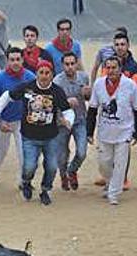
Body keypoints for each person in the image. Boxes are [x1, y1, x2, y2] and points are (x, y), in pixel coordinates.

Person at [0, 59, 73, 206]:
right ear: (36, 74)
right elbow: (7, 96)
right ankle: (27, 182)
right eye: (41, 73)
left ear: (52, 75)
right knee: (29, 166)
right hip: (29, 136)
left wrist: (68, 121)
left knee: (52, 167)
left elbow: (67, 110)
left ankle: (45, 190)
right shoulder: (27, 87)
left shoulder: (57, 91)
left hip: (51, 137)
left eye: (47, 73)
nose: (44, 76)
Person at [86, 56, 137, 205]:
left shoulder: (130, 85)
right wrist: (89, 132)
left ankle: (113, 193)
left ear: (120, 69)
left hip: (124, 132)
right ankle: (110, 182)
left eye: (114, 68)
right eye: (108, 68)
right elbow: (92, 109)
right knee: (104, 163)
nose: (111, 71)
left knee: (120, 164)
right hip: (104, 132)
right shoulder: (98, 84)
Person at [0, 46, 33, 186]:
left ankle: (23, 181)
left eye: (18, 59)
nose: (15, 63)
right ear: (7, 61)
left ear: (23, 60)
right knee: (0, 152)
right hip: (2, 121)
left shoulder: (30, 77)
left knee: (24, 153)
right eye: (12, 60)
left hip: (22, 121)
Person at [53, 52, 89, 191]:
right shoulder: (57, 81)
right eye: (66, 64)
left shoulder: (83, 77)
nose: (70, 67)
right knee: (61, 155)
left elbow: (89, 98)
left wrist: (87, 94)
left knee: (82, 152)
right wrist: (66, 102)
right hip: (62, 122)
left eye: (72, 64)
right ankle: (63, 175)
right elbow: (52, 103)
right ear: (62, 65)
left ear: (76, 64)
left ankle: (72, 170)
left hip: (80, 120)